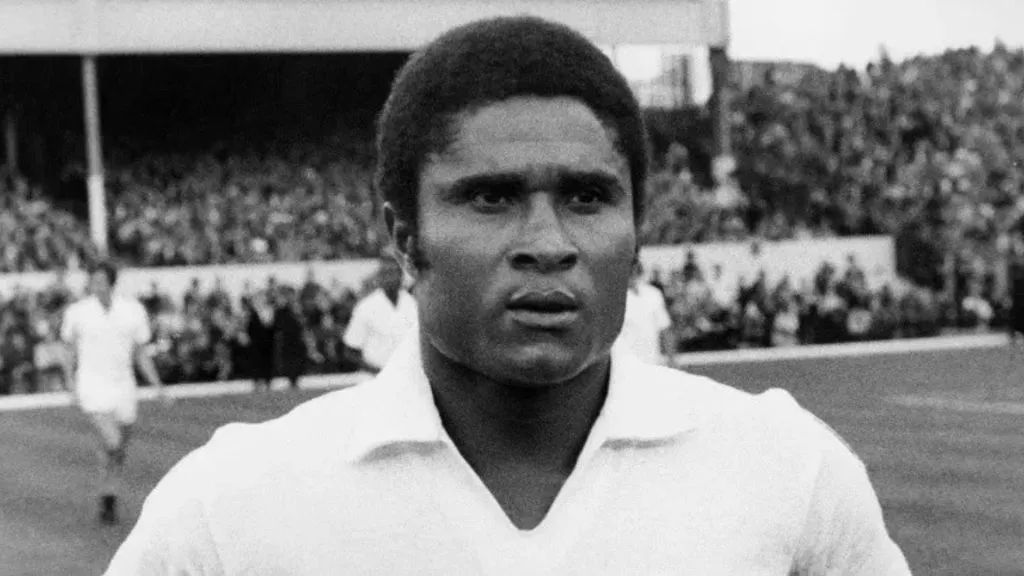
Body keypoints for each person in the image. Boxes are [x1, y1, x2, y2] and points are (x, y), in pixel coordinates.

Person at [106, 16, 910, 574]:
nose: (548, 241)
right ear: (403, 236)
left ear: (638, 227)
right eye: (490, 197)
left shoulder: (787, 472)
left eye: (589, 197)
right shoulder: (233, 506)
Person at [60, 260, 168, 525]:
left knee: (117, 450)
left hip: (123, 385)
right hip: (92, 383)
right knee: (112, 441)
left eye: (100, 280)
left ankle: (108, 496)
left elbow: (140, 354)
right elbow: (68, 350)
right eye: (92, 280)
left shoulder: (132, 311)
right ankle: (107, 495)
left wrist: (158, 386)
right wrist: (69, 381)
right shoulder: (78, 312)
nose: (95, 286)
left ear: (111, 282)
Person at [342, 258, 417, 374]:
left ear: (401, 276)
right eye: (386, 273)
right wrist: (375, 370)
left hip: (408, 376)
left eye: (395, 272)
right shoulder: (366, 307)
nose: (391, 277)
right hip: (374, 377)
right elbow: (350, 350)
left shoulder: (413, 305)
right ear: (379, 277)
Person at [613, 262, 672, 365]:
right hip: (626, 365)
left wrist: (672, 359)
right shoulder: (615, 298)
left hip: (653, 363)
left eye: (634, 270)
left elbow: (665, 329)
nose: (632, 274)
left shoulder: (654, 294)